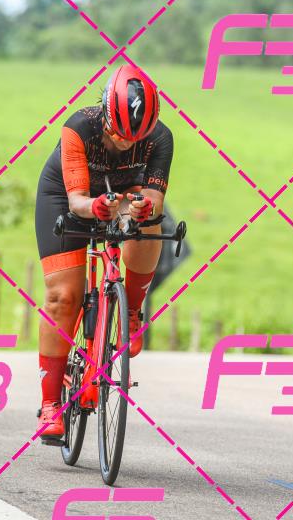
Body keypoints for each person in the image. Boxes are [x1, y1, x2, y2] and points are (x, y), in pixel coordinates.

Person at [33, 65, 173, 441]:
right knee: (63, 297)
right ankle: (50, 404)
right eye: (118, 134)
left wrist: (142, 208)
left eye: (136, 138)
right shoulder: (79, 127)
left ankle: (132, 311)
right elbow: (78, 201)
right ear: (107, 115)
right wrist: (95, 207)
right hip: (68, 197)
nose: (126, 143)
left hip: (124, 197)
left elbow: (155, 199)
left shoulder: (161, 138)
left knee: (151, 223)